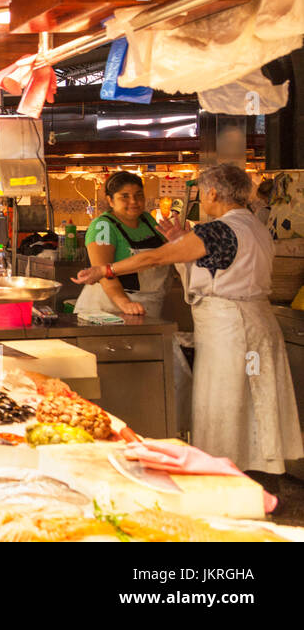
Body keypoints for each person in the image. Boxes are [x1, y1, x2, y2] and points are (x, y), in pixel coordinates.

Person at [74, 164, 304, 475]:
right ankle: (261, 471)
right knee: (255, 393)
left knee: (226, 399)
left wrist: (106, 270)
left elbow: (157, 257)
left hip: (232, 333)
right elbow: (218, 264)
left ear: (211, 193)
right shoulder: (254, 225)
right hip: (255, 327)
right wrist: (182, 238)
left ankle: (224, 474)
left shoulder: (216, 230)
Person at [75, 171, 172, 318]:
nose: (133, 201)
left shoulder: (147, 220)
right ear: (110, 200)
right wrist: (124, 303)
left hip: (147, 304)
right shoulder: (103, 226)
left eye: (139, 195)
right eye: (124, 196)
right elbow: (103, 273)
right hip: (108, 308)